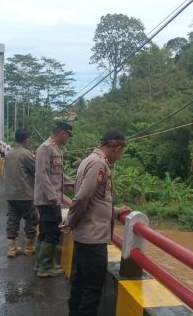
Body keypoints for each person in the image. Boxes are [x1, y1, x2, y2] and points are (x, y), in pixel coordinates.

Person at [62, 129, 131, 316]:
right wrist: (70, 221)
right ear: (116, 148)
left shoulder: (89, 160)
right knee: (91, 291)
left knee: (80, 285)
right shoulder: (98, 164)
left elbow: (95, 200)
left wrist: (116, 212)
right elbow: (82, 197)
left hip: (86, 236)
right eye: (121, 152)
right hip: (93, 239)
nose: (120, 156)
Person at [34, 121, 75, 277]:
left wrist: (71, 184)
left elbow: (57, 174)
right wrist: (52, 196)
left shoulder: (56, 149)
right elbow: (42, 174)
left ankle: (40, 264)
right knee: (52, 232)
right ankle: (45, 267)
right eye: (68, 136)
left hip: (51, 199)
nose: (68, 139)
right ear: (63, 133)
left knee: (45, 232)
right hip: (48, 200)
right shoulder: (45, 148)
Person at [3, 128, 39, 258]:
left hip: (10, 194)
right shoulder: (26, 154)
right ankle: (29, 247)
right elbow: (37, 169)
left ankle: (12, 249)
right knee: (32, 219)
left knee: (12, 220)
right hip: (25, 194)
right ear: (26, 139)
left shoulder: (9, 154)